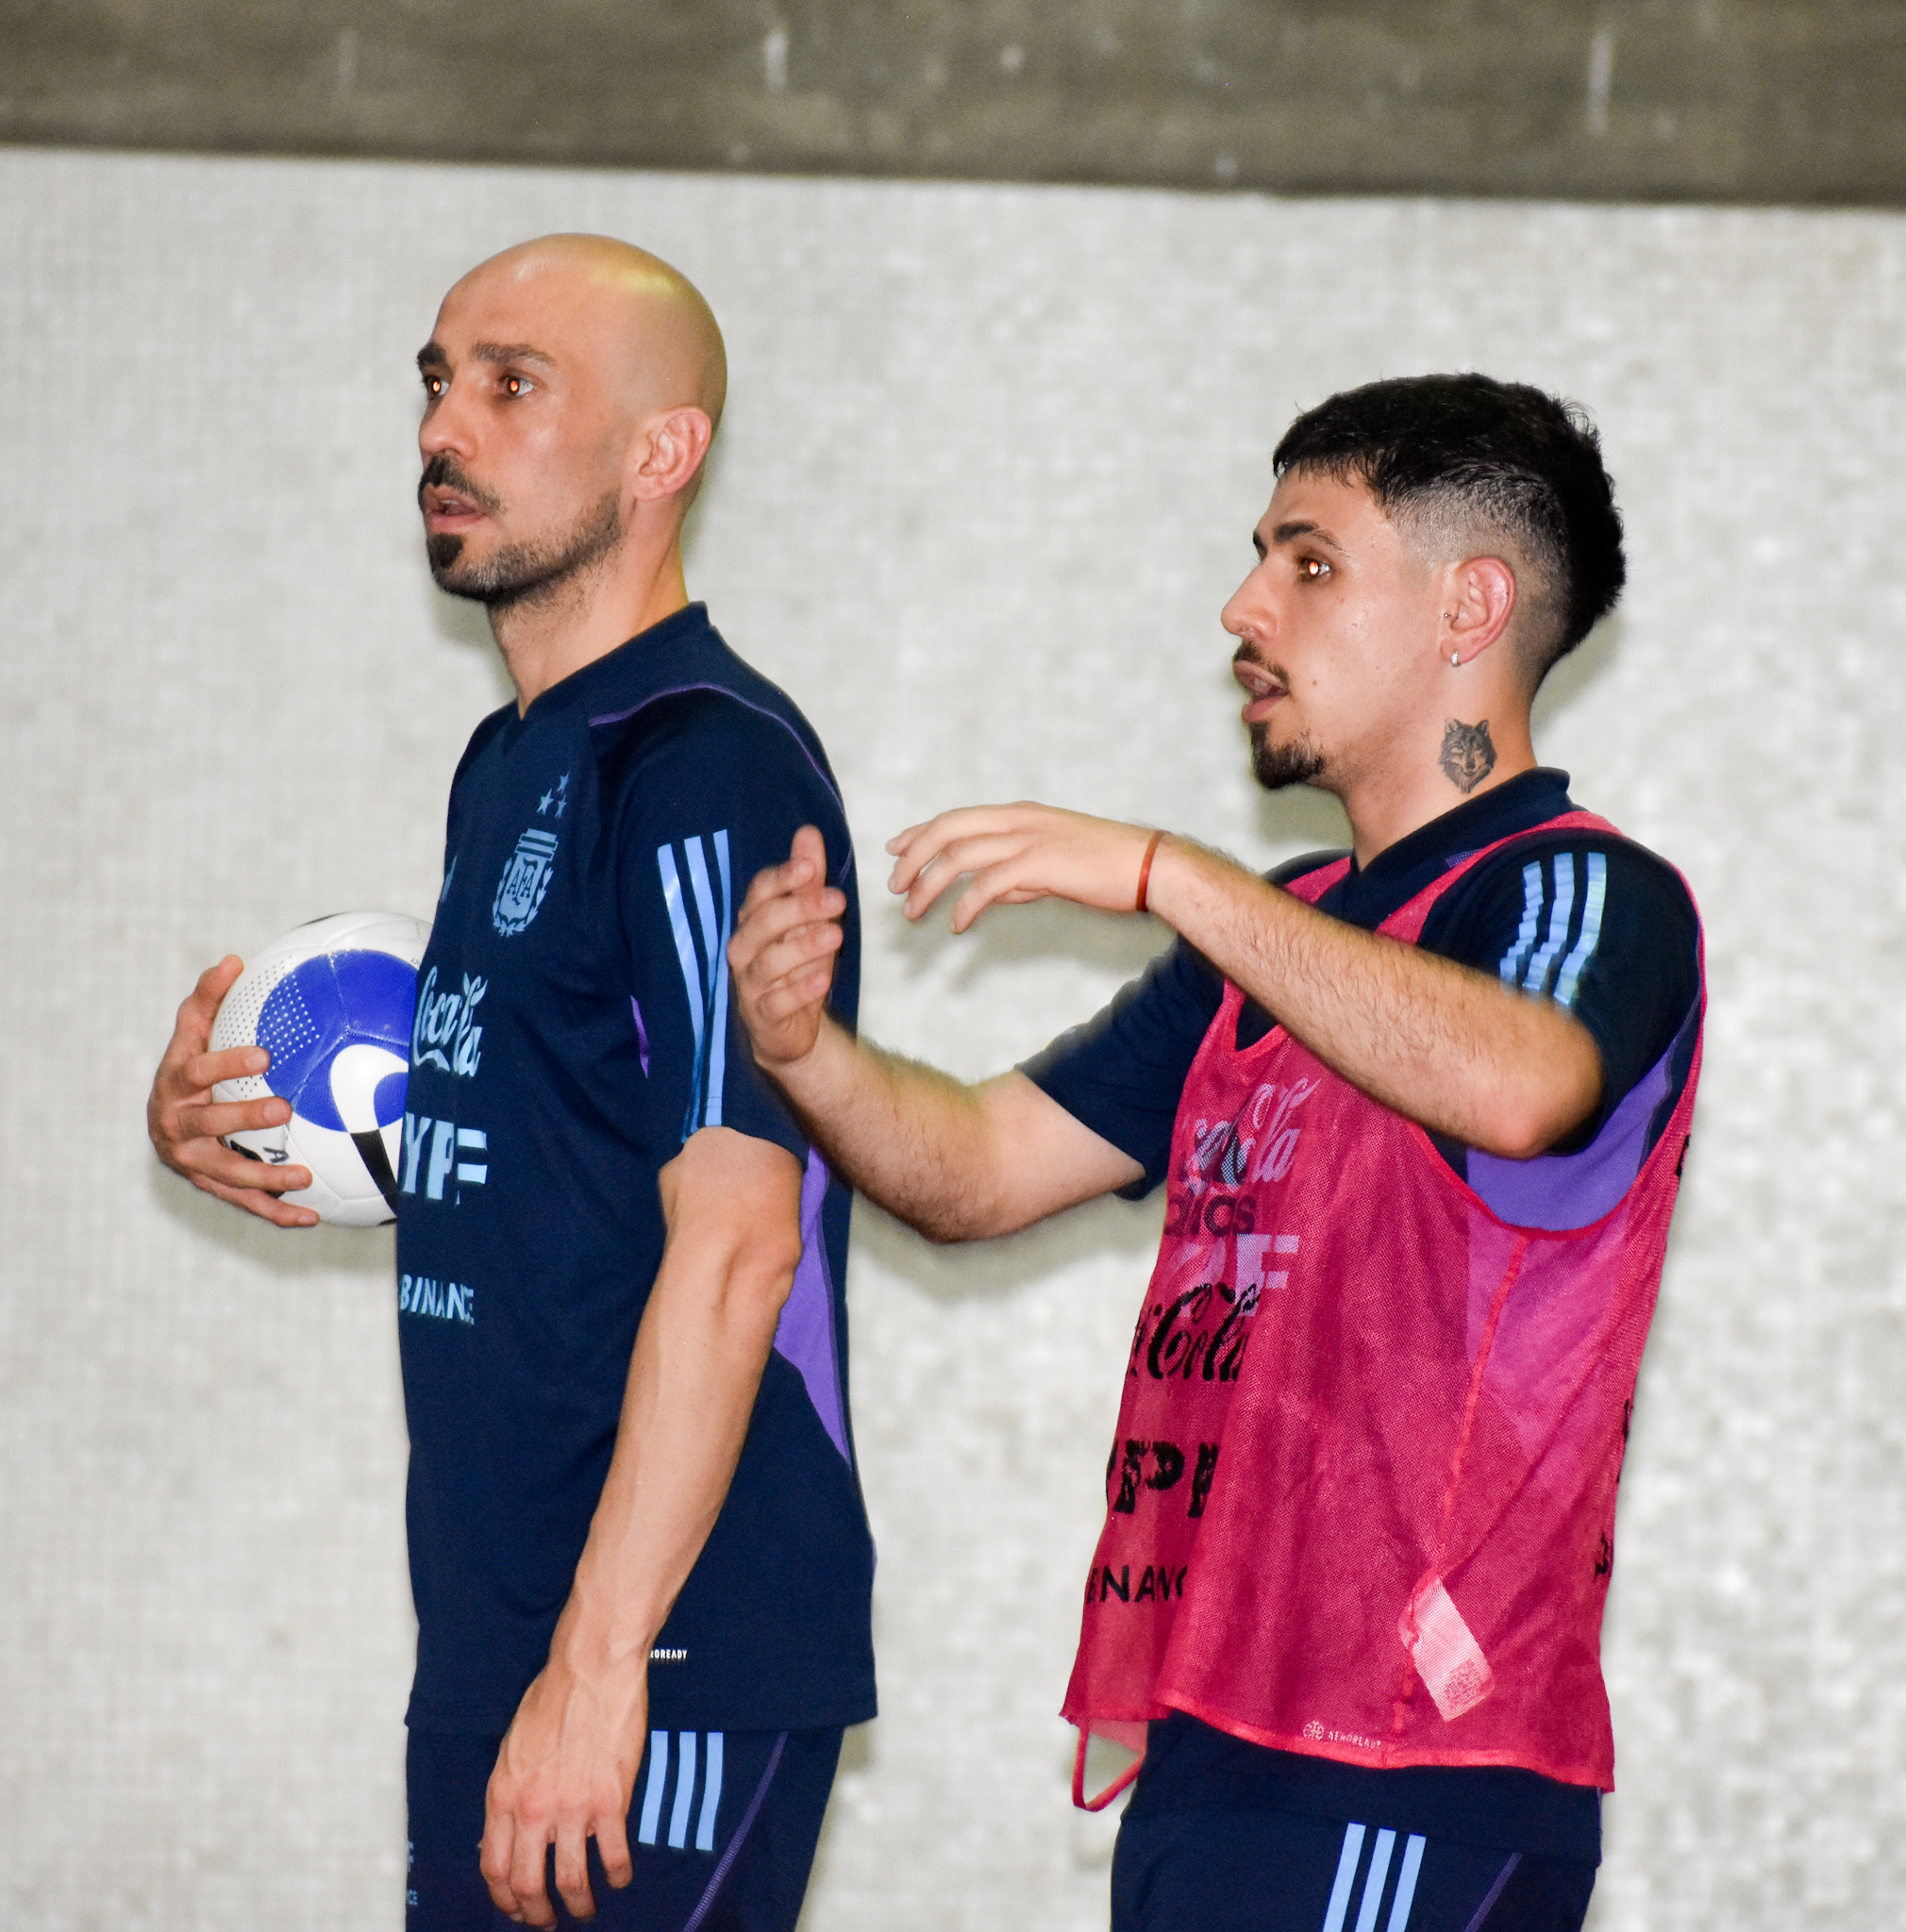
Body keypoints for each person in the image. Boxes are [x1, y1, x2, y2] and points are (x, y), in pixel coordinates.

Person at [727, 375, 1702, 1931]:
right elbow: (975, 1168)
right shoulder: (1279, 930)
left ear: (1473, 606)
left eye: (1309, 562)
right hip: (1214, 1744)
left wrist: (1167, 874)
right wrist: (806, 1058)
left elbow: (1522, 1083)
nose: (1245, 604)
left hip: (1413, 1770)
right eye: (1261, 555)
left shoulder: (1588, 898)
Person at [145, 235, 873, 1932]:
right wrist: (242, 1131)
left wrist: (603, 1661)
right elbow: (555, 1171)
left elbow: (742, 1237)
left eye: (510, 383)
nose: (442, 427)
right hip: (497, 1631)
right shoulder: (513, 762)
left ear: (659, 453)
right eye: (434, 379)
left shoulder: (704, 765)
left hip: (662, 1657)